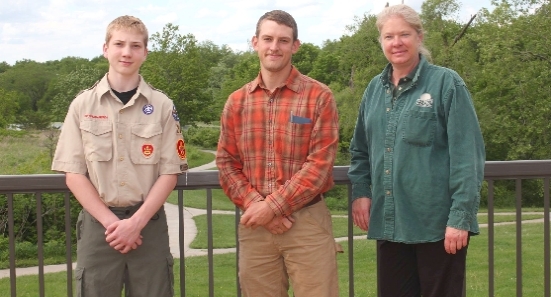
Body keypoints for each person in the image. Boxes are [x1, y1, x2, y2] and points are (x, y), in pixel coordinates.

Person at [347, 4, 485, 297]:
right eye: (389, 36)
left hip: (438, 227)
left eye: (404, 34)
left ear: (419, 36)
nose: (396, 42)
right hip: (390, 224)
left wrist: (459, 219)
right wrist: (360, 191)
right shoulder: (374, 89)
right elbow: (359, 149)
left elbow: (467, 157)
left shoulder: (446, 83)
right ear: (381, 42)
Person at [51, 15, 187, 297]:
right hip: (98, 227)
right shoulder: (82, 104)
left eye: (135, 46)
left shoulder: (162, 105)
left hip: (148, 226)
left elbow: (169, 172)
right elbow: (73, 173)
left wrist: (134, 224)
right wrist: (114, 225)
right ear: (106, 48)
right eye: (119, 44)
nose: (127, 52)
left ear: (146, 53)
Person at [216, 9, 341, 297]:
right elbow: (226, 163)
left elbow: (319, 165)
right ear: (255, 42)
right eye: (268, 39)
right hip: (255, 226)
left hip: (307, 222)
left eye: (283, 40)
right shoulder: (237, 102)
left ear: (295, 45)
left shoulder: (319, 96)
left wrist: (271, 208)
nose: (275, 47)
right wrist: (257, 206)